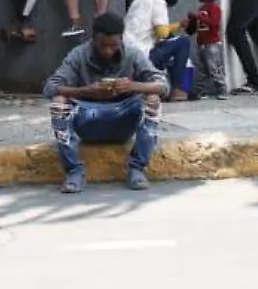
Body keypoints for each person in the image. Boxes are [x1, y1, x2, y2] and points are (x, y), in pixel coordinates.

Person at [44, 12, 169, 194]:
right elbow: (50, 87)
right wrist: (86, 91)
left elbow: (163, 85)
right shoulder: (79, 55)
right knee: (59, 102)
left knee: (152, 99)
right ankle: (74, 171)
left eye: (114, 45)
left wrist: (133, 86)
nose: (108, 51)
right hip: (88, 119)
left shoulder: (133, 54)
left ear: (121, 39)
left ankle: (137, 168)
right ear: (93, 39)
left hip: (124, 119)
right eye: (103, 45)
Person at [123, 0, 192, 102]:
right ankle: (177, 89)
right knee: (183, 42)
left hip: (127, 55)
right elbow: (162, 33)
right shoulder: (159, 2)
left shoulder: (139, 0)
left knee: (172, 41)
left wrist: (178, 25)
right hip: (144, 56)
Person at [191, 0, 227, 100]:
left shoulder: (214, 8)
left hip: (212, 43)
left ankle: (221, 88)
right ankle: (201, 91)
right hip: (201, 43)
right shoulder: (202, 8)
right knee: (201, 68)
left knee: (214, 67)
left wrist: (199, 17)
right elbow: (200, 26)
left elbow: (214, 23)